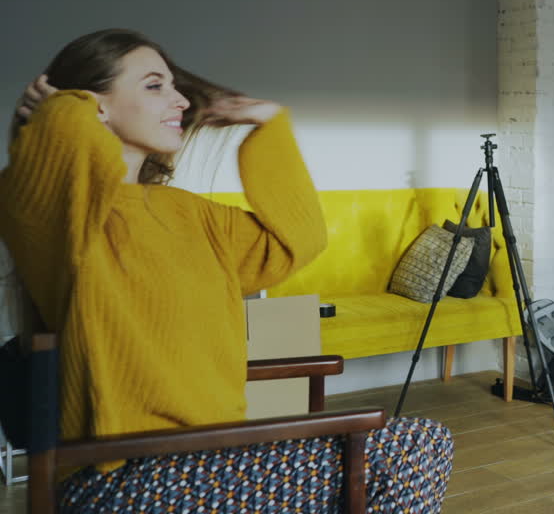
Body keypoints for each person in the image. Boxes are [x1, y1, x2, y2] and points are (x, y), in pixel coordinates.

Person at [0, 29, 453, 513]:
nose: (178, 100)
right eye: (154, 85)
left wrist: (270, 125)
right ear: (94, 106)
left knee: (422, 442)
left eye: (174, 85)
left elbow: (295, 242)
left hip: (216, 455)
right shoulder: (60, 220)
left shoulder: (189, 214)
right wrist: (60, 110)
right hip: (121, 474)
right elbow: (50, 171)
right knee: (411, 444)